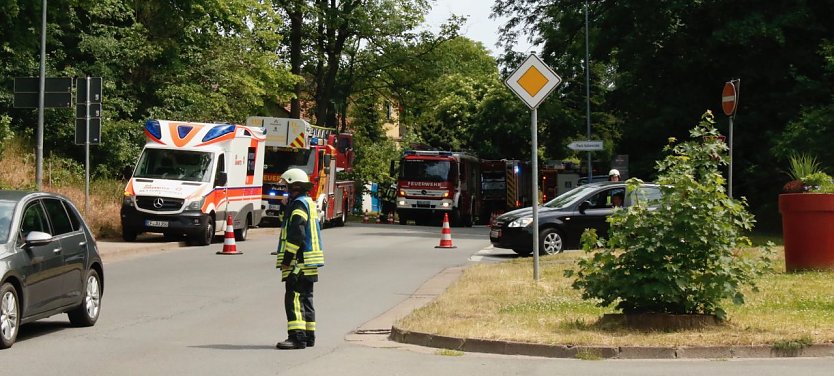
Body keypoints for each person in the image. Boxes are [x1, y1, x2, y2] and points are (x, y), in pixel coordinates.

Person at [274, 168, 325, 350]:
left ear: (294, 186)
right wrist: (285, 206)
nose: (285, 189)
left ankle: (296, 337)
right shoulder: (307, 202)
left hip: (298, 261)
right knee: (306, 298)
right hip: (309, 261)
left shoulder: (298, 205)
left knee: (294, 298)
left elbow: (296, 234)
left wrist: (287, 259)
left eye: (287, 186)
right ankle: (309, 336)